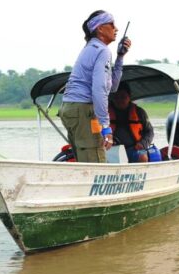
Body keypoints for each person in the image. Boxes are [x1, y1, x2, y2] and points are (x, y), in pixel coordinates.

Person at [59, 10, 131, 163]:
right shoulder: (103, 51)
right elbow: (99, 90)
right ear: (100, 29)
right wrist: (106, 126)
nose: (116, 29)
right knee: (96, 163)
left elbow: (112, 88)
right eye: (112, 24)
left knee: (84, 161)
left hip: (69, 109)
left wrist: (120, 57)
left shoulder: (91, 48)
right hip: (83, 110)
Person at [108, 81, 154, 163]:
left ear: (129, 97)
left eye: (123, 97)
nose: (119, 100)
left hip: (134, 149)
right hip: (112, 149)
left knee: (143, 157)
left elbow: (149, 132)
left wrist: (143, 144)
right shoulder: (104, 113)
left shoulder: (139, 112)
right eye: (116, 97)